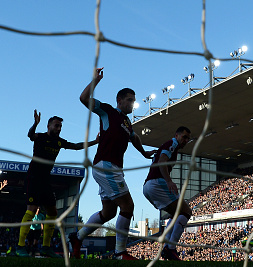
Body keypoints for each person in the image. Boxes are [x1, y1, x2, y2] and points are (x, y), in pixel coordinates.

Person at [69, 67, 155, 260]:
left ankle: (77, 237)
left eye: (134, 100)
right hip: (106, 166)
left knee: (108, 212)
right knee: (128, 207)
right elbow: (83, 98)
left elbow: (134, 138)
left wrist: (143, 153)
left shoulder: (126, 123)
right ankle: (119, 252)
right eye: (130, 100)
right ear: (120, 100)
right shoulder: (107, 111)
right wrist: (96, 80)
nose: (133, 104)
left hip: (111, 168)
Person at [16, 111, 99, 258]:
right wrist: (35, 124)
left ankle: (46, 248)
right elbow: (30, 136)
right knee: (31, 210)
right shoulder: (40, 137)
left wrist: (94, 141)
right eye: (56, 126)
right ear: (49, 126)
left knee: (53, 213)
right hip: (33, 178)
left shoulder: (59, 142)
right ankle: (20, 247)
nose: (59, 129)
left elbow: (77, 146)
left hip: (45, 180)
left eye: (60, 126)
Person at [143, 126, 193, 262]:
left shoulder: (171, 146)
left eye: (188, 138)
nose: (186, 140)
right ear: (176, 135)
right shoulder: (172, 144)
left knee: (175, 214)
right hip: (156, 183)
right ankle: (170, 248)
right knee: (186, 212)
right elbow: (161, 162)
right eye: (184, 137)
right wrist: (169, 181)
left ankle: (167, 248)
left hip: (148, 186)